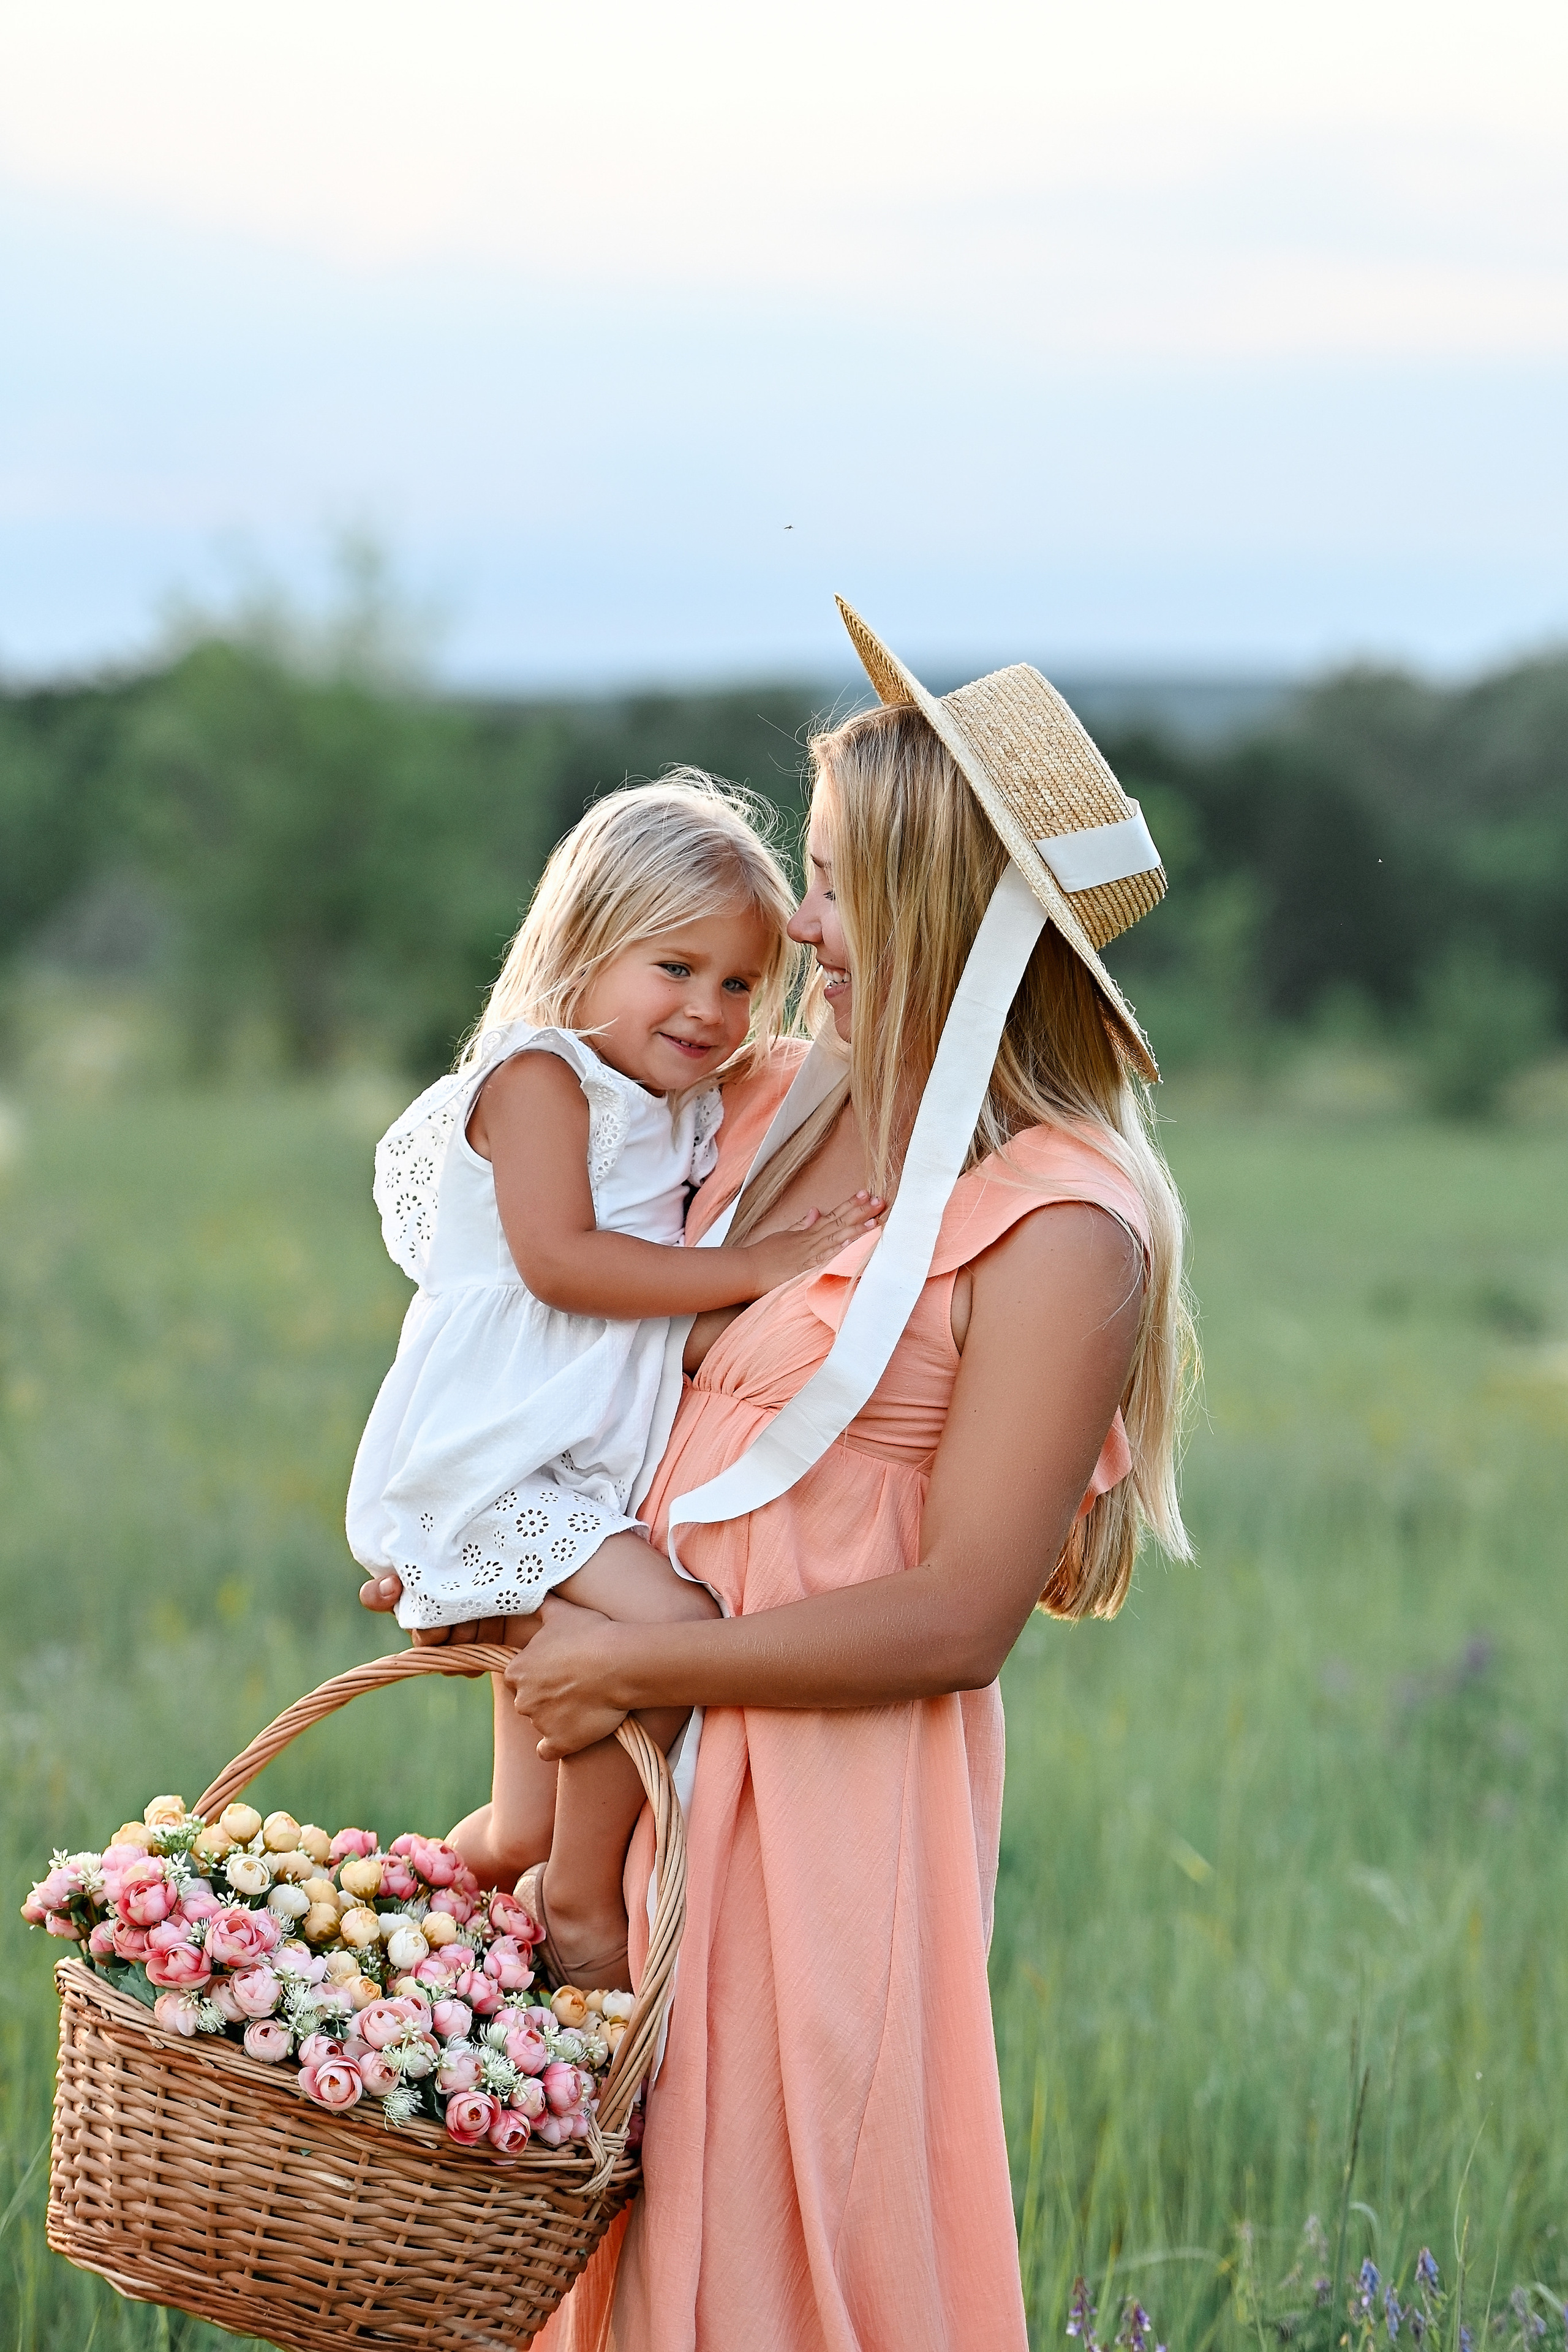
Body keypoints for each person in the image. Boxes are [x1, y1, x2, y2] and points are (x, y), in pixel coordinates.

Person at [368, 602, 1194, 2350]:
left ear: (931, 910)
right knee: (615, 2228)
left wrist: (634, 1663)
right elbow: (571, 1356)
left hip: (826, 1791)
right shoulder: (761, 1106)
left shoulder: (1066, 1221)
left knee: (780, 2214)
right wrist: (486, 1549)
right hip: (634, 1746)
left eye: (829, 882)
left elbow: (962, 1616)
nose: (796, 928)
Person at [347, 774, 883, 1989]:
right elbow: (564, 1264)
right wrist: (755, 1269)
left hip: (571, 1468)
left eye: (740, 983)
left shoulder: (677, 1103)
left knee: (517, 1818)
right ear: (584, 948)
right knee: (674, 1633)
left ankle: (389, 1928)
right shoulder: (538, 1079)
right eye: (674, 968)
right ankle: (581, 1904)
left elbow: (649, 1334)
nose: (708, 1009)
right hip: (501, 1465)